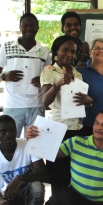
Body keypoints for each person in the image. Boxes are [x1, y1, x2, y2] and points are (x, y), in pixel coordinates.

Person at [40, 35, 92, 196]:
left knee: (72, 173)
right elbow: (45, 101)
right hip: (58, 129)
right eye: (65, 50)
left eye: (73, 51)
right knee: (58, 174)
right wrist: (58, 84)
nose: (69, 54)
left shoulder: (78, 74)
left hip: (77, 128)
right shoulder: (50, 72)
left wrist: (88, 100)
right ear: (57, 51)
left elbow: (81, 101)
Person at [0, 13, 51, 138]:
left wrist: (42, 80)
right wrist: (4, 77)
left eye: (32, 25)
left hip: (36, 106)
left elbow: (49, 77)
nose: (29, 28)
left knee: (34, 145)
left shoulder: (44, 51)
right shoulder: (7, 47)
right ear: (20, 27)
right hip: (13, 106)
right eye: (25, 25)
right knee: (12, 144)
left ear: (37, 28)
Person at [77, 38, 103, 137]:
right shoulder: (80, 71)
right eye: (97, 48)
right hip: (88, 126)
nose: (101, 51)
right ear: (90, 52)